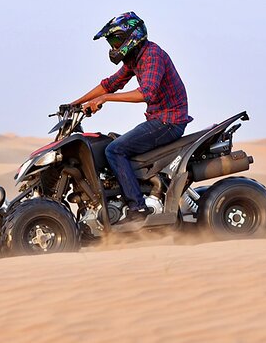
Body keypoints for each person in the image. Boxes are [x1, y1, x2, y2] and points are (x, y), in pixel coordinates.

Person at [70, 12, 193, 225]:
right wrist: (75, 104)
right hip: (157, 120)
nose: (114, 45)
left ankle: (137, 207)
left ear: (132, 36)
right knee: (110, 141)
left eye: (116, 40)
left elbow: (147, 93)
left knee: (115, 149)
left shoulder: (152, 55)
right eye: (111, 41)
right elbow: (110, 83)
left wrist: (105, 99)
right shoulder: (135, 57)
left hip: (169, 122)